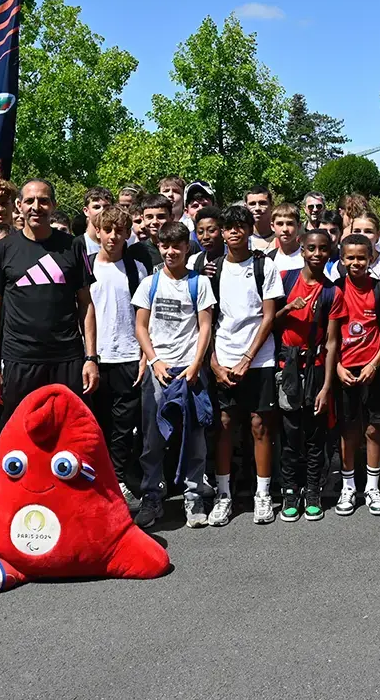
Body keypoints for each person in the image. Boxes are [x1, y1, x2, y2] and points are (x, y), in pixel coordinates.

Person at [0, 179, 96, 424]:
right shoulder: (2, 249)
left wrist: (91, 358)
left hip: (66, 359)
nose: (36, 207)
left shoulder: (74, 247)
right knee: (19, 436)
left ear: (53, 205)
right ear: (19, 206)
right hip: (19, 360)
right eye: (29, 201)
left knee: (66, 434)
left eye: (43, 201)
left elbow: (86, 304)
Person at [132, 219, 217, 529]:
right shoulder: (149, 284)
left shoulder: (199, 283)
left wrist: (196, 364)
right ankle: (152, 496)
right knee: (153, 438)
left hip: (190, 370)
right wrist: (154, 360)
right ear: (159, 246)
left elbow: (205, 325)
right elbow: (141, 326)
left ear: (186, 248)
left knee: (194, 437)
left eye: (177, 247)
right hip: (160, 371)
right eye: (165, 246)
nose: (170, 252)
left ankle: (194, 497)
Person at [206, 205, 283, 525]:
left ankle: (262, 495)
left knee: (259, 426)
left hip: (260, 360)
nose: (234, 231)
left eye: (240, 225)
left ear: (251, 229)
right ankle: (223, 496)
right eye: (228, 227)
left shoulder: (265, 266)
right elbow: (206, 321)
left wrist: (249, 357)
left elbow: (269, 316)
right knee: (224, 426)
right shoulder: (212, 270)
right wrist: (213, 362)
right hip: (223, 358)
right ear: (221, 232)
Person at [329, 233, 380, 517]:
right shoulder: (334, 290)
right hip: (344, 370)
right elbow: (327, 336)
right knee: (348, 430)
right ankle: (348, 486)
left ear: (371, 258)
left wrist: (375, 364)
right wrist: (337, 368)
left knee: (374, 428)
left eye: (362, 257)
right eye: (350, 257)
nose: (356, 262)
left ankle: (372, 487)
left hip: (374, 370)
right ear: (342, 260)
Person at [87, 205, 150, 513]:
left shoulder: (137, 268)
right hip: (94, 358)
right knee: (95, 425)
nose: (113, 236)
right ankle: (95, 484)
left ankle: (119, 480)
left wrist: (142, 355)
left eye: (119, 231)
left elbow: (143, 317)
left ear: (128, 234)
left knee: (123, 428)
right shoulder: (85, 266)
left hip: (127, 356)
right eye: (107, 230)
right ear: (97, 230)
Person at [273, 228, 337, 521]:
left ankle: (312, 489)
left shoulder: (331, 291)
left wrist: (326, 386)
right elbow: (268, 322)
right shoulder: (286, 280)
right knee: (289, 433)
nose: (316, 254)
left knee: (314, 434)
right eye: (311, 248)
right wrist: (289, 307)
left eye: (323, 249)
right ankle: (289, 490)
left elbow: (333, 341)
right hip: (288, 367)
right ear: (302, 248)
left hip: (316, 367)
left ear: (329, 251)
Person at [73, 187, 116, 257]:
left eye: (106, 207)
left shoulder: (119, 243)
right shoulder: (77, 245)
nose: (102, 211)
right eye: (96, 207)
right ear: (86, 211)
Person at [134, 193, 172, 269]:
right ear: (143, 219)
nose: (155, 222)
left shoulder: (187, 247)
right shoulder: (136, 251)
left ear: (171, 217)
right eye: (149, 217)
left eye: (161, 217)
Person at [269, 202, 305, 275]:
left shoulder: (307, 256)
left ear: (299, 226)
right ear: (272, 226)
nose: (285, 229)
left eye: (290, 224)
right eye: (280, 224)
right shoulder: (269, 259)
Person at [189, 205, 224, 272]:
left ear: (222, 231)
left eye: (211, 231)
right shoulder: (194, 261)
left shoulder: (236, 258)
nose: (205, 237)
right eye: (200, 232)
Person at [245, 186, 276, 252]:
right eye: (252, 204)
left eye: (262, 203)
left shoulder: (282, 238)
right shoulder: (241, 240)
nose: (257, 208)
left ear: (271, 205)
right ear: (246, 207)